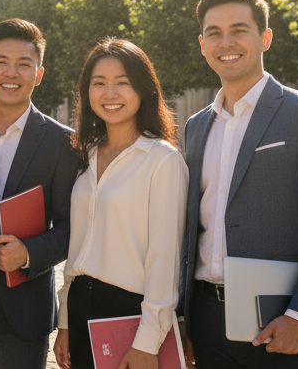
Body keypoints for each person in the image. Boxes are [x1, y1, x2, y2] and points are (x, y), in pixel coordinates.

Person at [178, 0, 298, 369]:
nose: (226, 42)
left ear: (265, 37)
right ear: (202, 44)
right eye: (214, 33)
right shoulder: (195, 127)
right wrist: (183, 318)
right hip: (206, 325)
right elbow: (192, 230)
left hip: (281, 323)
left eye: (239, 30)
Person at [53, 39, 187, 369]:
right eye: (99, 83)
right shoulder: (87, 156)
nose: (109, 93)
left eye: (122, 83)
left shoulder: (162, 160)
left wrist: (148, 341)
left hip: (129, 312)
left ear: (144, 90)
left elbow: (164, 257)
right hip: (81, 306)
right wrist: (66, 322)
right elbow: (77, 247)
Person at [0, 19, 79, 369]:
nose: (11, 73)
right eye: (1, 62)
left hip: (22, 308)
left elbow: (70, 226)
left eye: (24, 64)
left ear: (39, 74)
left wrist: (28, 253)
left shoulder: (63, 143)